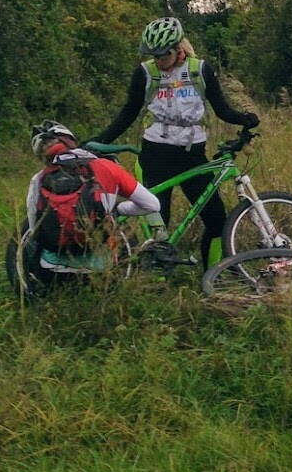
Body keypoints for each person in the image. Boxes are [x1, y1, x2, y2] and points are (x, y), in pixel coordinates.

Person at [87, 17, 260, 265]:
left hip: (192, 155)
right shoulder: (145, 73)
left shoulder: (200, 70)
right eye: (154, 56)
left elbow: (221, 109)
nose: (159, 61)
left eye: (163, 55)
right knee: (160, 223)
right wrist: (98, 141)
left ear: (178, 49)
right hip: (155, 155)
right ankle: (155, 272)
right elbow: (128, 113)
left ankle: (215, 273)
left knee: (216, 220)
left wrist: (245, 119)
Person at [18, 121, 161, 295]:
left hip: (51, 271)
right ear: (71, 141)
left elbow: (34, 228)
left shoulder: (38, 179)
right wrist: (119, 210)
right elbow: (152, 205)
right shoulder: (108, 167)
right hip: (101, 270)